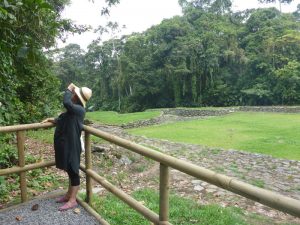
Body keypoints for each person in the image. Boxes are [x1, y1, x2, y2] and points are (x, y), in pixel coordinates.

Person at [41, 83, 92, 211]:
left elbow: (66, 103)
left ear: (77, 97)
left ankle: (73, 200)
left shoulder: (79, 109)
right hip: (67, 144)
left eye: (74, 94)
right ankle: (69, 195)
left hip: (73, 145)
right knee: (69, 169)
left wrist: (68, 90)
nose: (73, 95)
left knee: (74, 171)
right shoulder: (73, 109)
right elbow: (64, 118)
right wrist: (52, 120)